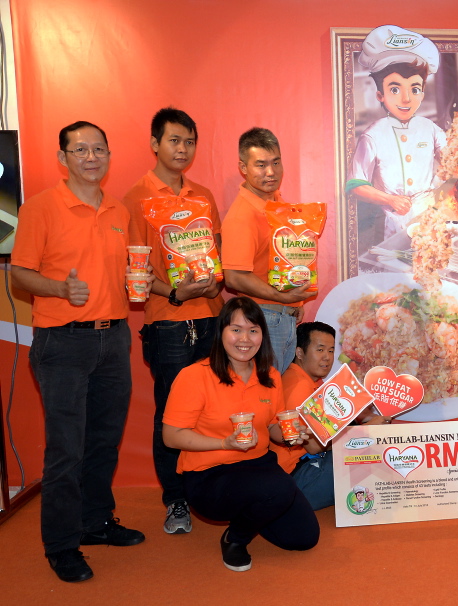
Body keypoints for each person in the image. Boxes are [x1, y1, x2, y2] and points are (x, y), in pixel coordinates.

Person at [11, 121, 145, 583]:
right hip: (62, 342)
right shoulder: (40, 207)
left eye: (99, 149)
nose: (91, 157)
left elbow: (124, 270)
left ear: (109, 155)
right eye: (81, 149)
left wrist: (140, 280)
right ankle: (62, 545)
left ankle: (95, 521)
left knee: (104, 441)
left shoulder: (117, 209)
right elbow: (19, 274)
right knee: (66, 449)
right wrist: (59, 289)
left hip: (114, 338)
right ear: (62, 158)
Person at [162, 297, 320, 572]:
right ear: (221, 332)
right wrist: (224, 443)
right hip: (209, 474)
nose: (244, 339)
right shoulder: (194, 376)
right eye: (236, 330)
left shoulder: (269, 375)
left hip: (258, 466)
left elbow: (274, 427)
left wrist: (291, 435)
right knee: (280, 488)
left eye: (253, 330)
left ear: (262, 335)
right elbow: (171, 436)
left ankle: (254, 510)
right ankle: (235, 539)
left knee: (303, 538)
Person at [122, 107, 223, 535]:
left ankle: (213, 490)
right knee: (172, 414)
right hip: (168, 323)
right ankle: (176, 499)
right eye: (174, 140)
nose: (183, 149)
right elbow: (135, 268)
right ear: (155, 144)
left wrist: (214, 281)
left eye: (189, 142)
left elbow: (216, 254)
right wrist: (176, 293)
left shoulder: (203, 196)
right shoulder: (136, 198)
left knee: (215, 409)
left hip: (212, 318)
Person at [222, 127, 313, 371]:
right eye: (261, 165)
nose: (271, 172)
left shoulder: (278, 205)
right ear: (243, 168)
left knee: (278, 391)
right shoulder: (242, 215)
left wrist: (294, 304)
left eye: (276, 162)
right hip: (262, 319)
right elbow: (234, 277)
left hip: (283, 317)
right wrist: (282, 298)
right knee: (265, 390)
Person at [346, 24, 447, 241]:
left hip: (429, 215)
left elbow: (451, 158)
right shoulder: (372, 136)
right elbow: (355, 185)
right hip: (389, 218)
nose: (406, 99)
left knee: (431, 256)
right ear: (380, 95)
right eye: (395, 89)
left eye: (415, 89)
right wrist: (390, 200)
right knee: (393, 259)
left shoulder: (429, 128)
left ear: (422, 93)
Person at [277, 321, 391, 510]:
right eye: (320, 350)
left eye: (331, 351)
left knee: (364, 438)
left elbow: (336, 421)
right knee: (366, 447)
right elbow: (314, 445)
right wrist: (364, 430)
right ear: (299, 353)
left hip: (308, 465)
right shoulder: (298, 385)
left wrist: (363, 417)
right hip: (298, 476)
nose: (327, 358)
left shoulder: (311, 380)